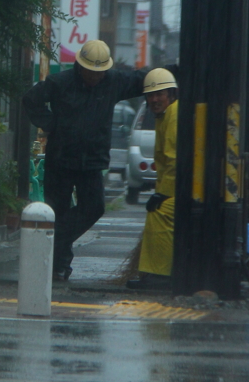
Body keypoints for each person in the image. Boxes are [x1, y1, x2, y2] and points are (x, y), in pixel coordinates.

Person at [22, 39, 148, 281]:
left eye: (101, 73)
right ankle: (58, 268)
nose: (96, 77)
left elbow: (142, 78)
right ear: (81, 67)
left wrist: (175, 70)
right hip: (61, 159)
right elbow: (31, 99)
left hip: (92, 161)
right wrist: (51, 125)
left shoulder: (114, 82)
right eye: (92, 72)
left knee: (94, 208)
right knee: (56, 209)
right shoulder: (60, 83)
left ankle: (54, 235)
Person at [126, 68, 178, 291]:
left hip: (181, 189)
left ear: (171, 94)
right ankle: (152, 273)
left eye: (160, 94)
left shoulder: (174, 116)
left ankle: (161, 275)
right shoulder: (164, 115)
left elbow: (174, 161)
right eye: (150, 95)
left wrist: (163, 194)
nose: (154, 99)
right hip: (178, 187)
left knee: (161, 214)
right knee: (155, 211)